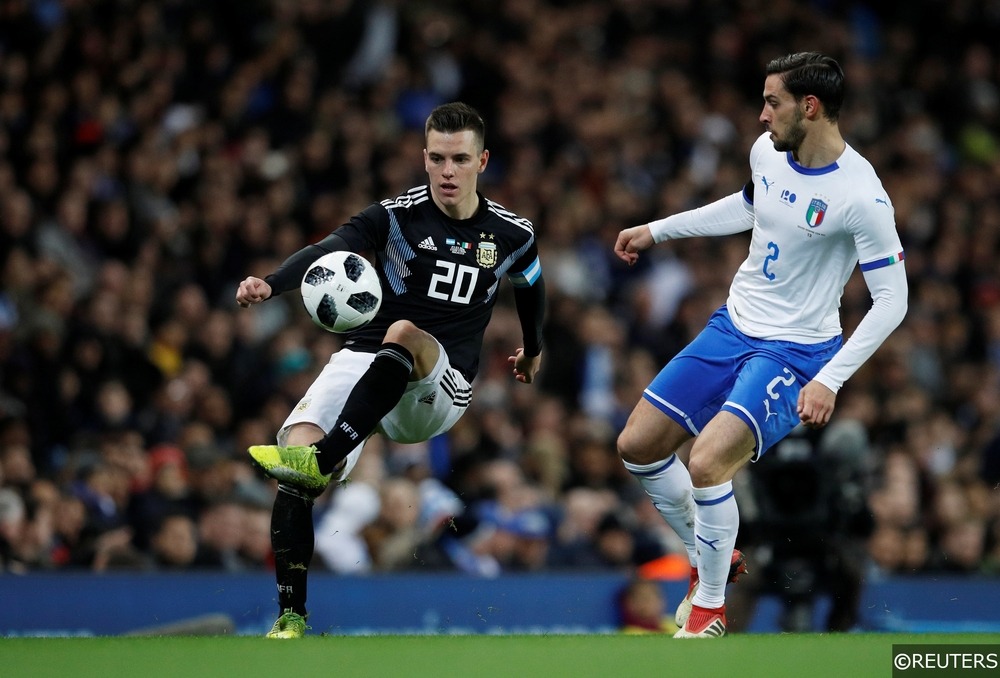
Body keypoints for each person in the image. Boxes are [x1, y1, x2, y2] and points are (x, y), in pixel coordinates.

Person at [613, 52, 907, 638]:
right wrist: (659, 229)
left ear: (811, 106)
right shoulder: (768, 152)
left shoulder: (862, 197)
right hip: (733, 326)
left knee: (707, 461)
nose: (761, 114)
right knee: (637, 446)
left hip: (795, 352)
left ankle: (711, 605)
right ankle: (708, 558)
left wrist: (830, 379)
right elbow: (750, 207)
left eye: (773, 101)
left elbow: (893, 299)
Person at [235, 102, 546, 638]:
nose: (448, 171)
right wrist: (271, 281)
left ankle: (324, 458)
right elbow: (328, 248)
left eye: (460, 159)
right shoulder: (395, 215)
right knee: (294, 462)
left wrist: (533, 347)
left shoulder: (511, 235)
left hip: (440, 387)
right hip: (367, 358)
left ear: (483, 161)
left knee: (401, 332)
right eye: (437, 159)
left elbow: (532, 288)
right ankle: (290, 615)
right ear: (424, 158)